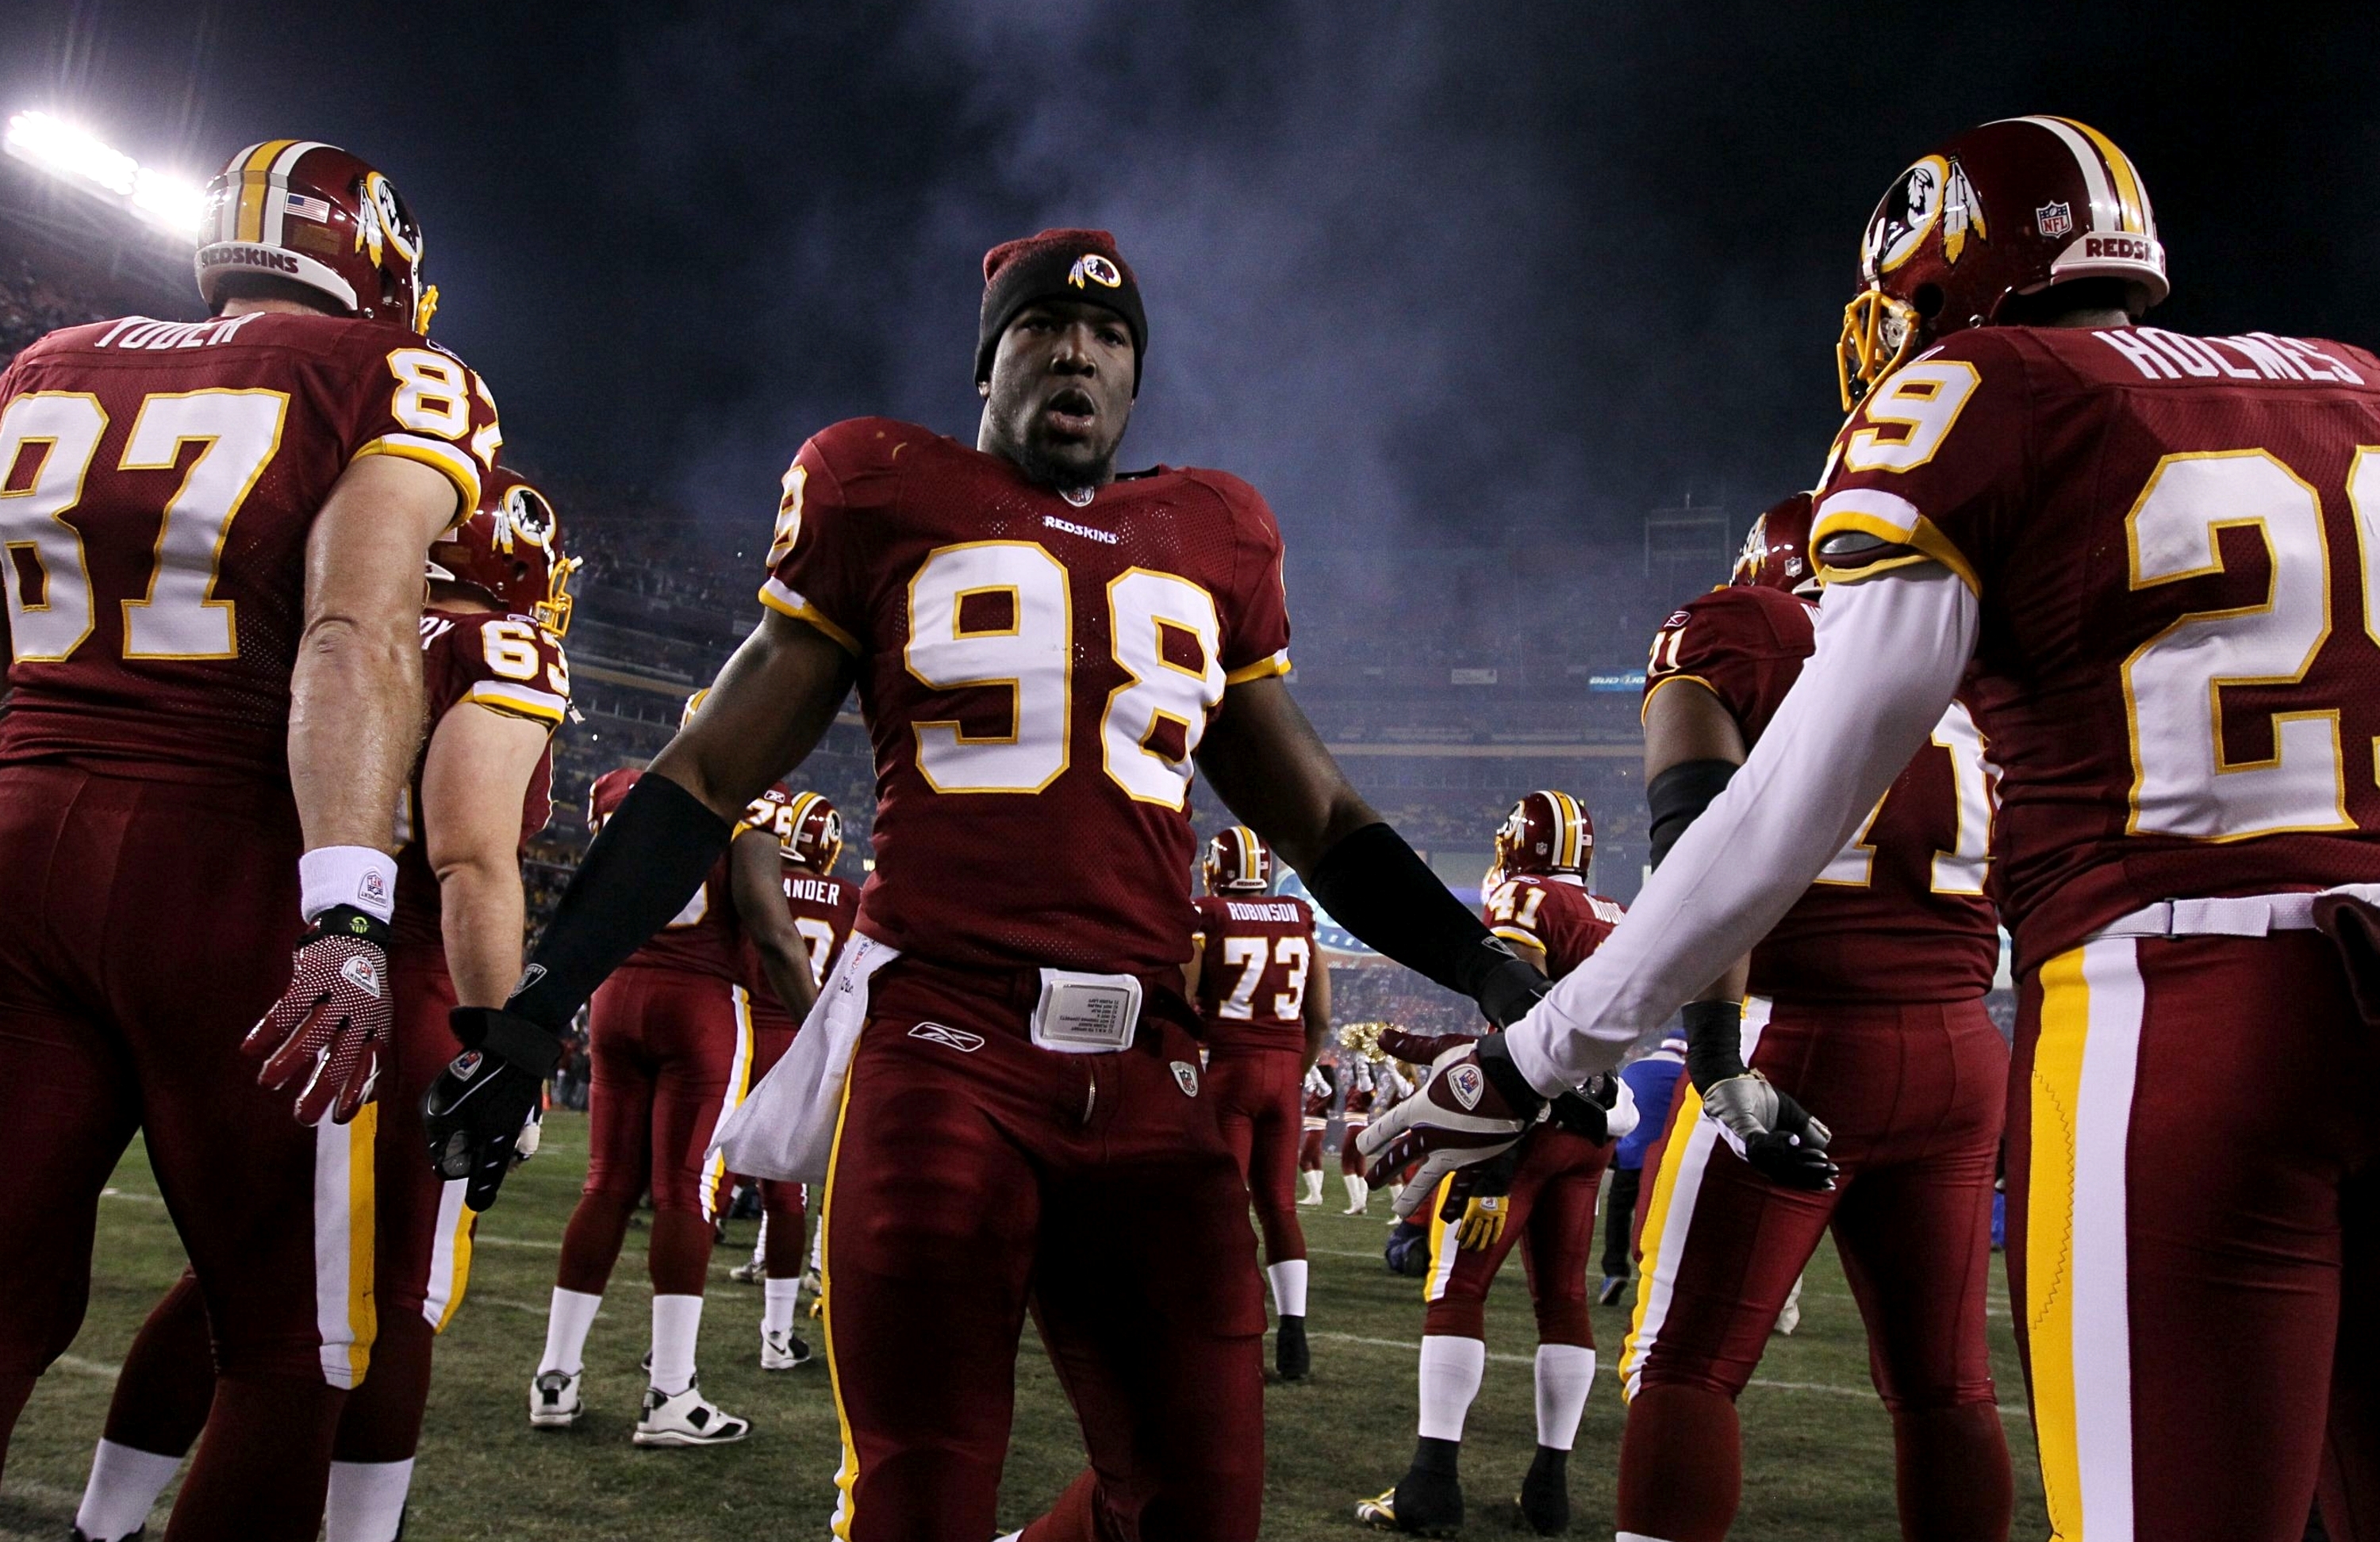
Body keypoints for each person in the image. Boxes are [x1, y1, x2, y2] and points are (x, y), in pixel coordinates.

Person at [422, 227, 1554, 1541]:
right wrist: (538, 999)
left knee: (1202, 1502)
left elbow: (1323, 814)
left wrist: (1475, 953)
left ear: (1137, 377)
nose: (1078, 349)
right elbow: (708, 770)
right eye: (1041, 327)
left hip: (1151, 1068)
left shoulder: (1215, 527)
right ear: (988, 358)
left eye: (1111, 334)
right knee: (920, 1491)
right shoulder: (877, 485)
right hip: (947, 1047)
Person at [1366, 116, 2380, 1542]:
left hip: (2180, 1010)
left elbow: (1775, 805)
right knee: (1959, 1389)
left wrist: (1538, 1048)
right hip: (2139, 1003)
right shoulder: (2352, 379)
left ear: (1949, 268)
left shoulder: (1978, 390)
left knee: (1705, 1361)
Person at [0, 139, 493, 1542]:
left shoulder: (48, 361)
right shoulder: (380, 375)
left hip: (21, 829)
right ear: (379, 259)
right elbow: (351, 633)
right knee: (294, 1346)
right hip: (218, 859)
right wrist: (345, 914)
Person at [71, 469, 574, 1542]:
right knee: (390, 1305)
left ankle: (101, 1524)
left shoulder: (320, 613)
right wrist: (507, 1039)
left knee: (248, 1287)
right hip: (405, 983)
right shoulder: (495, 647)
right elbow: (473, 860)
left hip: (277, 956)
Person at [1599, 491, 2010, 1541]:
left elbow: (1706, 867)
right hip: (1965, 1045)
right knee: (1946, 1385)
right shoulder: (1967, 668)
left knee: (1682, 1361)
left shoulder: (1748, 631)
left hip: (1798, 1032)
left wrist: (1715, 1047)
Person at [525, 695, 809, 1447]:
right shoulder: (754, 798)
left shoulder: (617, 787)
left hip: (616, 995)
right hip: (699, 1003)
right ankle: (670, 1393)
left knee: (606, 1185)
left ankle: (556, 1376)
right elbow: (770, 927)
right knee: (689, 1190)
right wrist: (818, 1029)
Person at [1359, 791, 1631, 1536]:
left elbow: (1522, 1014)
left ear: (1518, 844)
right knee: (1563, 1299)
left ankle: (1431, 1483)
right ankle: (1549, 1491)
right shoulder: (1614, 912)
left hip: (1524, 1122)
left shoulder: (1524, 895)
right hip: (1593, 1125)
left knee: (1457, 1287)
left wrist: (1503, 1145)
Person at [1185, 824, 1330, 1381]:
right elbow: (1318, 1016)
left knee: (1224, 1204)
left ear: (1216, 871)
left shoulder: (1209, 916)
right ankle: (1293, 1330)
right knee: (1281, 1206)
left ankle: (1228, 1326)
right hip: (1284, 1071)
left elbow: (1182, 995)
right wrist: (1294, 1069)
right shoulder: (1297, 915)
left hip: (1230, 1068)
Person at [725, 787, 854, 1367]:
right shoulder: (848, 897)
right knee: (792, 1189)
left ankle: (667, 1346)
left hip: (738, 1024)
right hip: (801, 1036)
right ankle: (778, 1335)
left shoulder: (749, 870)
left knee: (701, 1184)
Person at [1599, 1033, 1686, 1305]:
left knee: (1619, 1214)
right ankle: (1659, 1281)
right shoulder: (1686, 1076)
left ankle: (1614, 1270)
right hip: (1667, 1160)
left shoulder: (1634, 1069)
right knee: (1667, 1223)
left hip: (1630, 1155)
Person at [1296, 1060, 1337, 1207]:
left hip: (1316, 1130)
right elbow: (1310, 1080)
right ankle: (1316, 1194)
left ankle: (1315, 1195)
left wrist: (1311, 1060)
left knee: (1303, 1161)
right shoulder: (1316, 1091)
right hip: (1313, 1129)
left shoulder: (1325, 1090)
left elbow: (1317, 1077)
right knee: (1315, 1160)